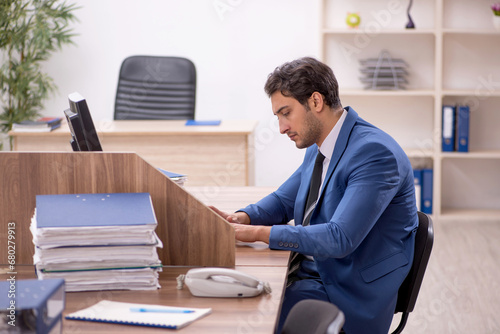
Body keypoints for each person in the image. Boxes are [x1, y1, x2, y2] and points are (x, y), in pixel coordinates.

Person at [210, 57, 418, 334]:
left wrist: (259, 233)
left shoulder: (375, 154)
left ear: (316, 102)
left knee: (242, 319)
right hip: (313, 273)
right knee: (229, 296)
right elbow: (285, 199)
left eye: (286, 113)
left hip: (346, 293)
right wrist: (241, 217)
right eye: (278, 117)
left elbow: (339, 238)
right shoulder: (321, 144)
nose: (282, 127)